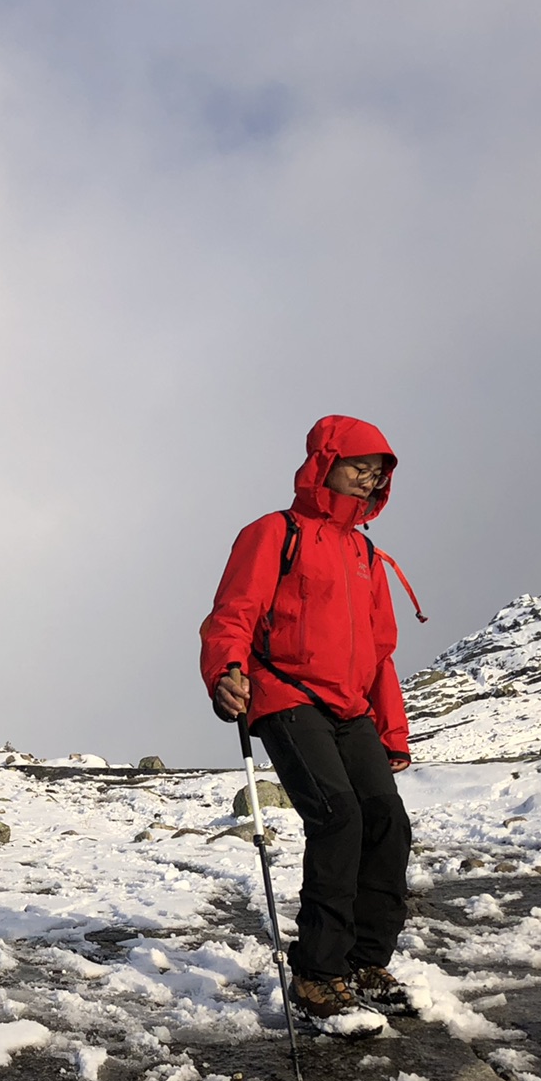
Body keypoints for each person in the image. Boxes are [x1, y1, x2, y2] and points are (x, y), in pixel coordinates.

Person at [199, 415, 423, 1022]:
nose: (368, 480)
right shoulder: (276, 532)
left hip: (351, 708)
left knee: (387, 822)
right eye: (358, 466)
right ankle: (319, 976)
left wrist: (392, 730)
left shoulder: (367, 554)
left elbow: (380, 653)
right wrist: (226, 672)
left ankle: (366, 962)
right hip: (285, 694)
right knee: (339, 817)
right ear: (325, 463)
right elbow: (232, 613)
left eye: (377, 473)